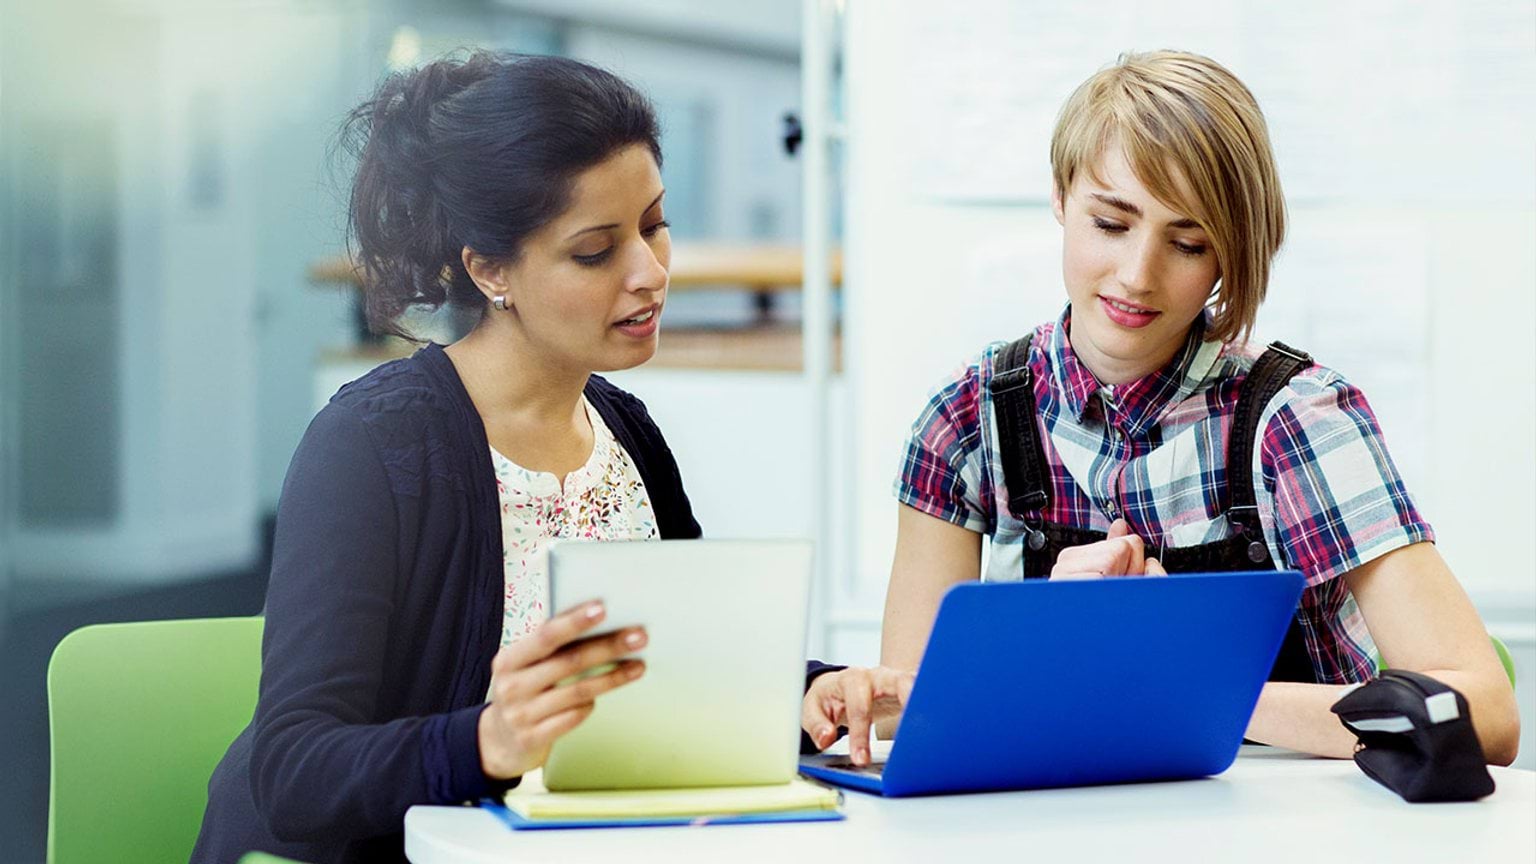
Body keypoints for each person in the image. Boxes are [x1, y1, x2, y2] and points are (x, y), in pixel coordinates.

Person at [801, 50, 1520, 769]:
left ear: (1228, 256)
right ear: (1060, 195)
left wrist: (1174, 676)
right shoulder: (965, 421)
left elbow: (1485, 716)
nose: (1138, 276)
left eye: (1187, 242)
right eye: (1111, 223)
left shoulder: (1293, 421)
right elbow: (916, 721)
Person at [192, 52, 706, 863]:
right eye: (594, 250)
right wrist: (486, 744)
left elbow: (688, 663)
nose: (650, 273)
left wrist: (816, 690)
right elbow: (292, 773)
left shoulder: (628, 434)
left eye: (653, 225)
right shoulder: (371, 445)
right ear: (490, 269)